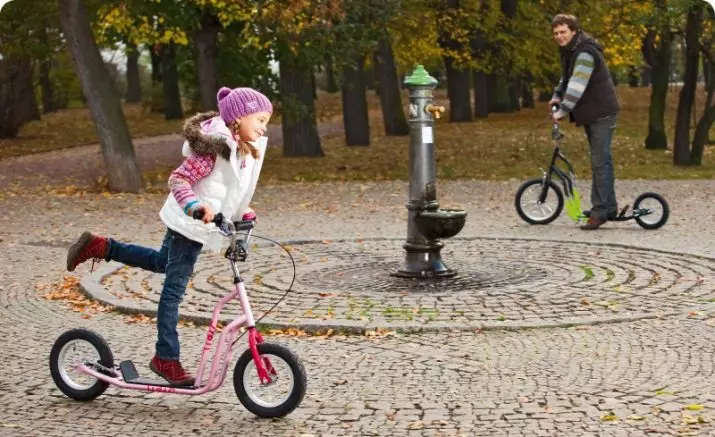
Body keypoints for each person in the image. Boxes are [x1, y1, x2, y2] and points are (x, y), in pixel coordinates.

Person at [65, 86, 273, 386]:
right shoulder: (214, 149)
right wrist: (195, 206)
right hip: (188, 227)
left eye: (266, 121)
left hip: (199, 229)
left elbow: (230, 192)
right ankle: (165, 357)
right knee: (172, 293)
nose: (264, 127)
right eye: (261, 119)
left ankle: (102, 246)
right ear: (238, 118)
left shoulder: (241, 151)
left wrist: (245, 213)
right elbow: (179, 179)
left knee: (162, 262)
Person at [549, 14, 620, 230]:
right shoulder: (572, 50)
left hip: (601, 112)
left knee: (600, 162)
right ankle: (608, 206)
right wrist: (556, 94)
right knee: (602, 161)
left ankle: (599, 212)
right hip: (593, 112)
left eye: (563, 32)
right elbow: (567, 78)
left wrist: (563, 110)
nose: (559, 36)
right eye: (555, 33)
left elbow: (577, 85)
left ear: (573, 31)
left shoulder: (585, 53)